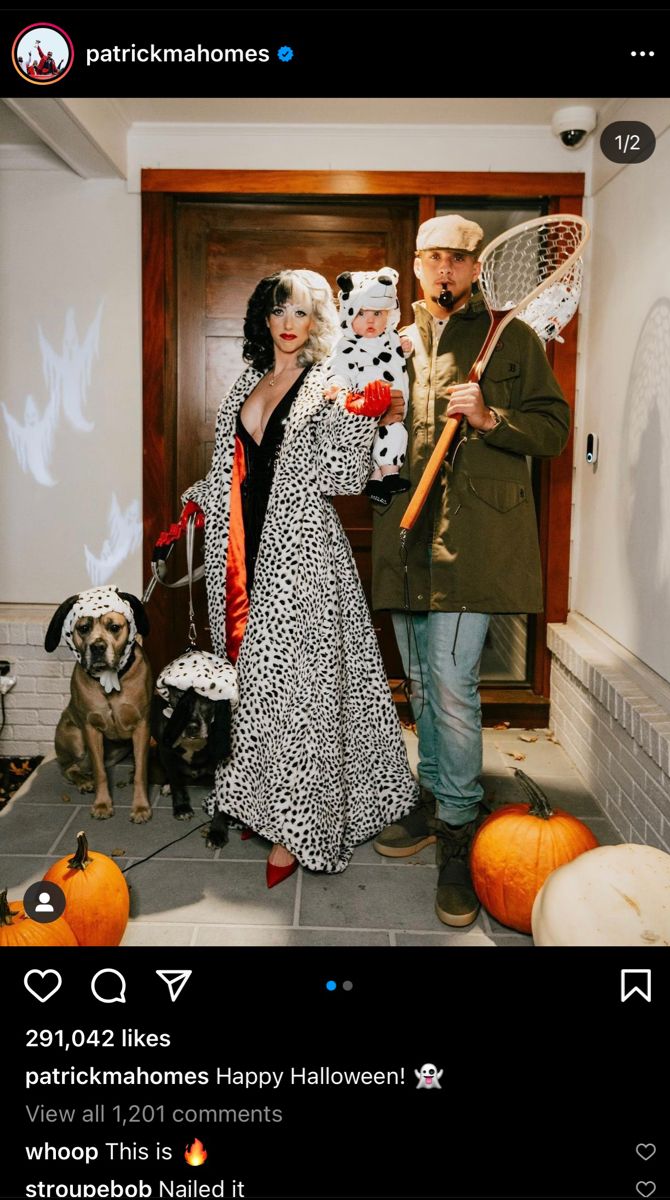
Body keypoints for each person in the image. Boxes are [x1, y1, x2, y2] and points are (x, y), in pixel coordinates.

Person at [181, 268, 418, 886]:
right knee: (260, 688)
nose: (288, 324)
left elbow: (343, 478)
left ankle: (301, 826)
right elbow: (233, 468)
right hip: (246, 553)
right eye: (278, 312)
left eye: (300, 314)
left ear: (316, 324)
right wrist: (196, 500)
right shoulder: (246, 384)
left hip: (303, 555)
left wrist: (362, 416)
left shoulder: (329, 381)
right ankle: (263, 801)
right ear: (265, 320)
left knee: (302, 695)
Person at [371, 215, 571, 927]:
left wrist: (490, 418)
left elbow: (551, 429)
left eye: (457, 259)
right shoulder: (389, 342)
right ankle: (436, 794)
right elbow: (368, 444)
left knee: (451, 686)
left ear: (474, 267)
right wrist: (368, 418)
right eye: (433, 258)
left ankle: (457, 827)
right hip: (406, 535)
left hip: (475, 538)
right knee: (420, 682)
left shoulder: (511, 336)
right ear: (416, 265)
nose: (445, 270)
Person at [326, 268, 410, 506]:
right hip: (366, 407)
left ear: (390, 314)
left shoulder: (392, 337)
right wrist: (337, 387)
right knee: (378, 439)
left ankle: (380, 479)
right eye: (361, 313)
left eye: (377, 313)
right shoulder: (346, 345)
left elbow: (400, 355)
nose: (370, 320)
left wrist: (405, 346)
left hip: (393, 403)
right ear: (348, 314)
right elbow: (338, 369)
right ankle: (386, 475)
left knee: (396, 434)